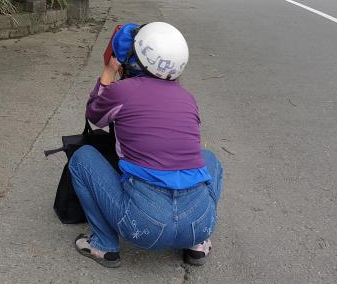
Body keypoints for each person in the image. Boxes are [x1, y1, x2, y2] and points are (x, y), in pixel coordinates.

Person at [69, 22, 224, 268]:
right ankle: (197, 244)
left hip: (144, 227)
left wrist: (108, 72)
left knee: (82, 157)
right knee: (209, 158)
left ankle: (104, 245)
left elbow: (95, 117)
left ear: (135, 58)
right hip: (200, 222)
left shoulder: (122, 90)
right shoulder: (187, 98)